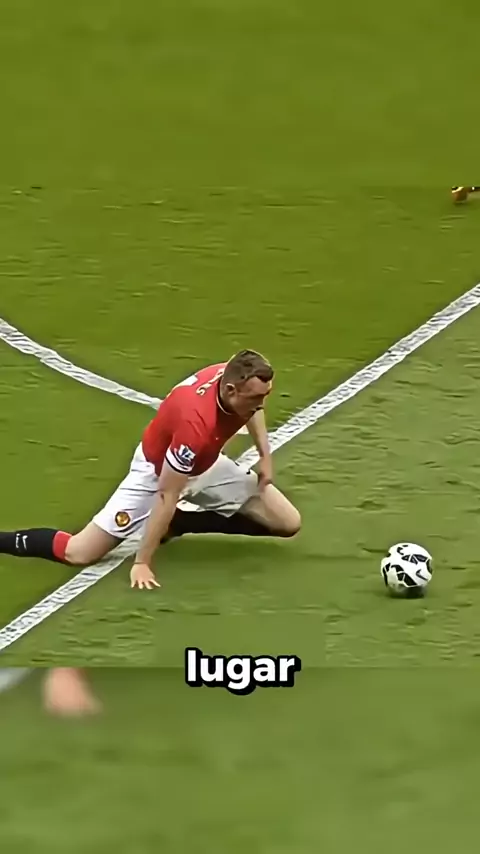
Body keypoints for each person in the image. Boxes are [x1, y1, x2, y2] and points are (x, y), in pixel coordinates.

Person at [0, 350, 301, 589]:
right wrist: (142, 562)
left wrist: (265, 455)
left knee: (287, 522)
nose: (261, 404)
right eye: (256, 398)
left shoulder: (235, 377)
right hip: (158, 473)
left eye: (264, 395)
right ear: (231, 389)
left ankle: (181, 523)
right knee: (79, 552)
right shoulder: (195, 423)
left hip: (205, 463)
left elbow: (253, 410)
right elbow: (166, 494)